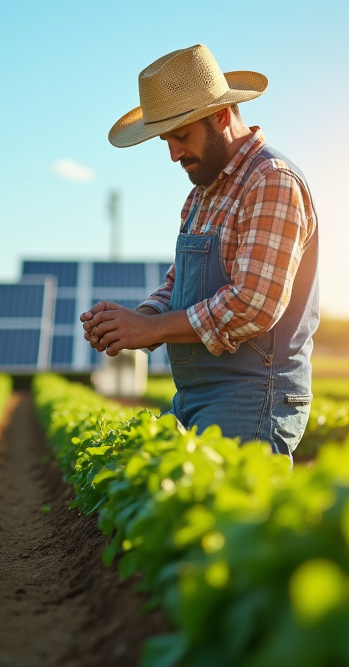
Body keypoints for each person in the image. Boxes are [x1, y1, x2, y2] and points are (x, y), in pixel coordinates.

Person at [80, 44, 320, 460]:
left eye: (181, 136)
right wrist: (138, 319)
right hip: (197, 395)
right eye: (166, 140)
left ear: (222, 116)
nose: (173, 153)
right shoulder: (202, 194)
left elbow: (254, 305)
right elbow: (180, 282)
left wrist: (153, 330)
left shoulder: (271, 182)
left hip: (252, 398)